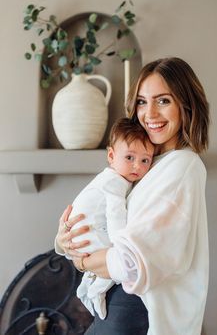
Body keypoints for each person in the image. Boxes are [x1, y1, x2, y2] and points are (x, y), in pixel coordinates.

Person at [55, 57, 210, 335]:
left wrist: (80, 261)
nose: (149, 113)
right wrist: (67, 240)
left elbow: (129, 264)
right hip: (120, 306)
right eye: (141, 101)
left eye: (163, 101)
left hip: (136, 310)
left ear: (185, 104)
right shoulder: (146, 166)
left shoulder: (183, 166)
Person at [57, 117, 155, 320]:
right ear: (111, 155)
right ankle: (95, 291)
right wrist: (121, 244)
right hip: (84, 233)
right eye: (129, 157)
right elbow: (115, 214)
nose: (137, 165)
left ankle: (89, 286)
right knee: (114, 257)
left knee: (110, 259)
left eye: (145, 160)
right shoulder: (115, 182)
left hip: (82, 232)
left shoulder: (113, 177)